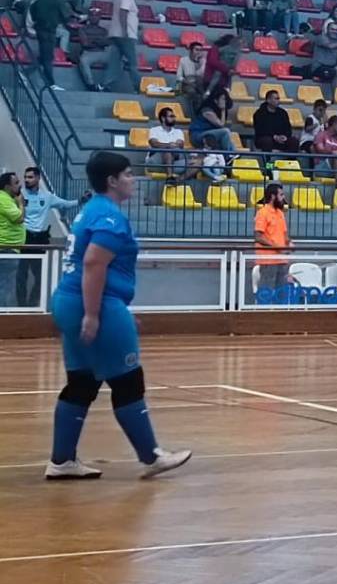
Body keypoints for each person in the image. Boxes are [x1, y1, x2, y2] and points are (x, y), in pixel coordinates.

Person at [45, 151, 193, 480]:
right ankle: (151, 457)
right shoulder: (109, 217)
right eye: (127, 174)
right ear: (112, 181)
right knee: (128, 380)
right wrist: (95, 315)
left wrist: (111, 314)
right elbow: (93, 264)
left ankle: (62, 460)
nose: (133, 179)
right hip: (94, 303)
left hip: (71, 301)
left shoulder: (91, 210)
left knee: (82, 382)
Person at [16, 167, 76, 307]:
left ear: (38, 178)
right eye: (25, 177)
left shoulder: (47, 196)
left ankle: (32, 304)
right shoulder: (19, 195)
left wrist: (81, 201)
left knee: (40, 275)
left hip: (40, 239)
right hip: (24, 237)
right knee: (21, 274)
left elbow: (65, 204)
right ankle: (21, 306)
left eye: (30, 177)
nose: (26, 180)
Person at [102, 0, 142, 93]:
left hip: (117, 34)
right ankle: (139, 87)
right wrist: (125, 31)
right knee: (133, 62)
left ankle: (105, 84)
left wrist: (135, 25)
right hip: (125, 35)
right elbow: (123, 12)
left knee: (114, 62)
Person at [253, 182, 291, 292]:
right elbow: (258, 236)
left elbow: (284, 235)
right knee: (267, 291)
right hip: (268, 260)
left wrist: (289, 243)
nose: (283, 198)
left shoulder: (280, 213)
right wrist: (276, 247)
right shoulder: (263, 213)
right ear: (273, 196)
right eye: (281, 195)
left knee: (282, 292)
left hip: (282, 259)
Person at [0, 173, 23, 308]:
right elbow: (19, 218)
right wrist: (21, 204)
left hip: (9, 248)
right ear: (7, 186)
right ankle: (3, 315)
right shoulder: (3, 199)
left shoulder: (7, 199)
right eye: (16, 183)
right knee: (6, 286)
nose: (20, 185)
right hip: (6, 249)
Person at [254, 90, 298, 154]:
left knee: (294, 141)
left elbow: (288, 128)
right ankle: (268, 160)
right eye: (276, 98)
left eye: (278, 98)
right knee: (267, 141)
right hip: (265, 138)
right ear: (268, 100)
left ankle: (289, 159)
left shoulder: (283, 113)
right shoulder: (259, 114)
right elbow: (260, 130)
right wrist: (274, 137)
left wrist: (284, 136)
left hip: (281, 139)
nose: (278, 101)